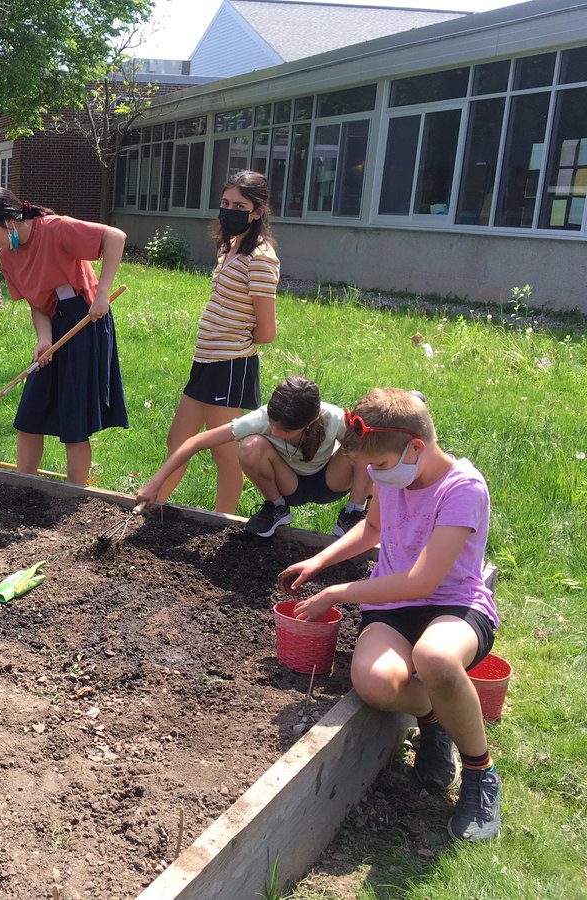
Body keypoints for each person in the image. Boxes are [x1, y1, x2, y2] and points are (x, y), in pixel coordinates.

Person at [278, 388, 500, 841]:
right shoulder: (392, 473)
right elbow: (374, 528)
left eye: (378, 465)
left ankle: (480, 774)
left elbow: (423, 582)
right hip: (393, 606)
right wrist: (321, 561)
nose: (374, 475)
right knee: (375, 683)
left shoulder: (463, 489)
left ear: (415, 448)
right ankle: (437, 717)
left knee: (435, 659)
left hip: (453, 604)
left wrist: (338, 592)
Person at [0, 186, 127, 485]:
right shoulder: (8, 256)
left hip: (85, 319)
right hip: (53, 324)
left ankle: (74, 492)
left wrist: (102, 294)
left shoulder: (54, 229)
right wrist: (43, 338)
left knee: (74, 414)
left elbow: (114, 237)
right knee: (31, 412)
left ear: (8, 219)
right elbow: (37, 305)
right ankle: (23, 486)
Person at [156, 170, 279, 514]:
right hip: (205, 363)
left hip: (230, 366)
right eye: (224, 203)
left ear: (258, 210)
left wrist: (235, 338)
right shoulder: (230, 249)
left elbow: (267, 332)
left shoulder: (261, 258)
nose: (229, 211)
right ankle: (152, 507)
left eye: (239, 205)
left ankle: (222, 521)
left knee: (224, 452)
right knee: (177, 442)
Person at [136, 376, 371, 537]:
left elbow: (371, 457)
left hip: (330, 482)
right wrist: (154, 484)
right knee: (251, 446)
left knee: (361, 446)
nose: (276, 432)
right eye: (273, 425)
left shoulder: (333, 417)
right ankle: (277, 508)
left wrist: (373, 493)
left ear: (310, 422)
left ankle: (353, 514)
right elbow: (195, 442)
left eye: (286, 431)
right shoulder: (261, 418)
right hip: (290, 485)